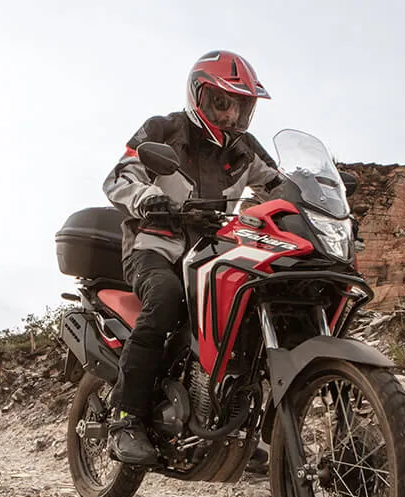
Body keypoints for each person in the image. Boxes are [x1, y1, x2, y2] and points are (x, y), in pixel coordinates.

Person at [101, 50, 282, 465]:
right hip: (154, 247)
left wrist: (317, 203)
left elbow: (279, 186)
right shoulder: (164, 130)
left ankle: (237, 422)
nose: (232, 116)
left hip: (213, 253)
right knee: (165, 300)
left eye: (242, 106)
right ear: (198, 96)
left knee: (253, 314)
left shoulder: (244, 150)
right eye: (223, 103)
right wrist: (148, 199)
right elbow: (119, 177)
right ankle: (125, 418)